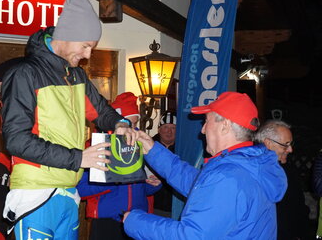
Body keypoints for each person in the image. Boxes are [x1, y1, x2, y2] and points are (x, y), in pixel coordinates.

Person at [1, 0, 135, 240]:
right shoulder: (24, 73)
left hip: (68, 191)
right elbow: (16, 141)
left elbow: (103, 111)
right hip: (35, 194)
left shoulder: (76, 76)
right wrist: (79, 158)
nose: (87, 55)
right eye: (85, 45)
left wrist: (121, 123)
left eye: (91, 48)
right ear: (66, 36)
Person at [122, 91, 288, 240]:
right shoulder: (247, 165)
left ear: (225, 125)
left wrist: (134, 221)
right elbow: (192, 181)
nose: (202, 130)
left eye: (206, 121)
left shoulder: (228, 176)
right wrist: (152, 149)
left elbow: (191, 236)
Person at [77, 92, 161, 240]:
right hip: (106, 222)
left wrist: (154, 184)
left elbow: (142, 190)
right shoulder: (95, 147)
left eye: (135, 124)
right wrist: (114, 181)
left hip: (137, 221)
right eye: (130, 124)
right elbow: (81, 190)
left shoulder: (140, 147)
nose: (133, 130)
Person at [254, 120, 310, 240]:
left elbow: (299, 209)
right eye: (285, 144)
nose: (290, 150)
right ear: (268, 143)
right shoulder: (252, 173)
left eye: (290, 144)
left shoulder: (290, 172)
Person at [151, 111, 176, 217]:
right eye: (166, 127)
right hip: (153, 204)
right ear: (159, 129)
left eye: (173, 128)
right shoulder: (148, 147)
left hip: (176, 206)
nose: (169, 131)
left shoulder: (185, 149)